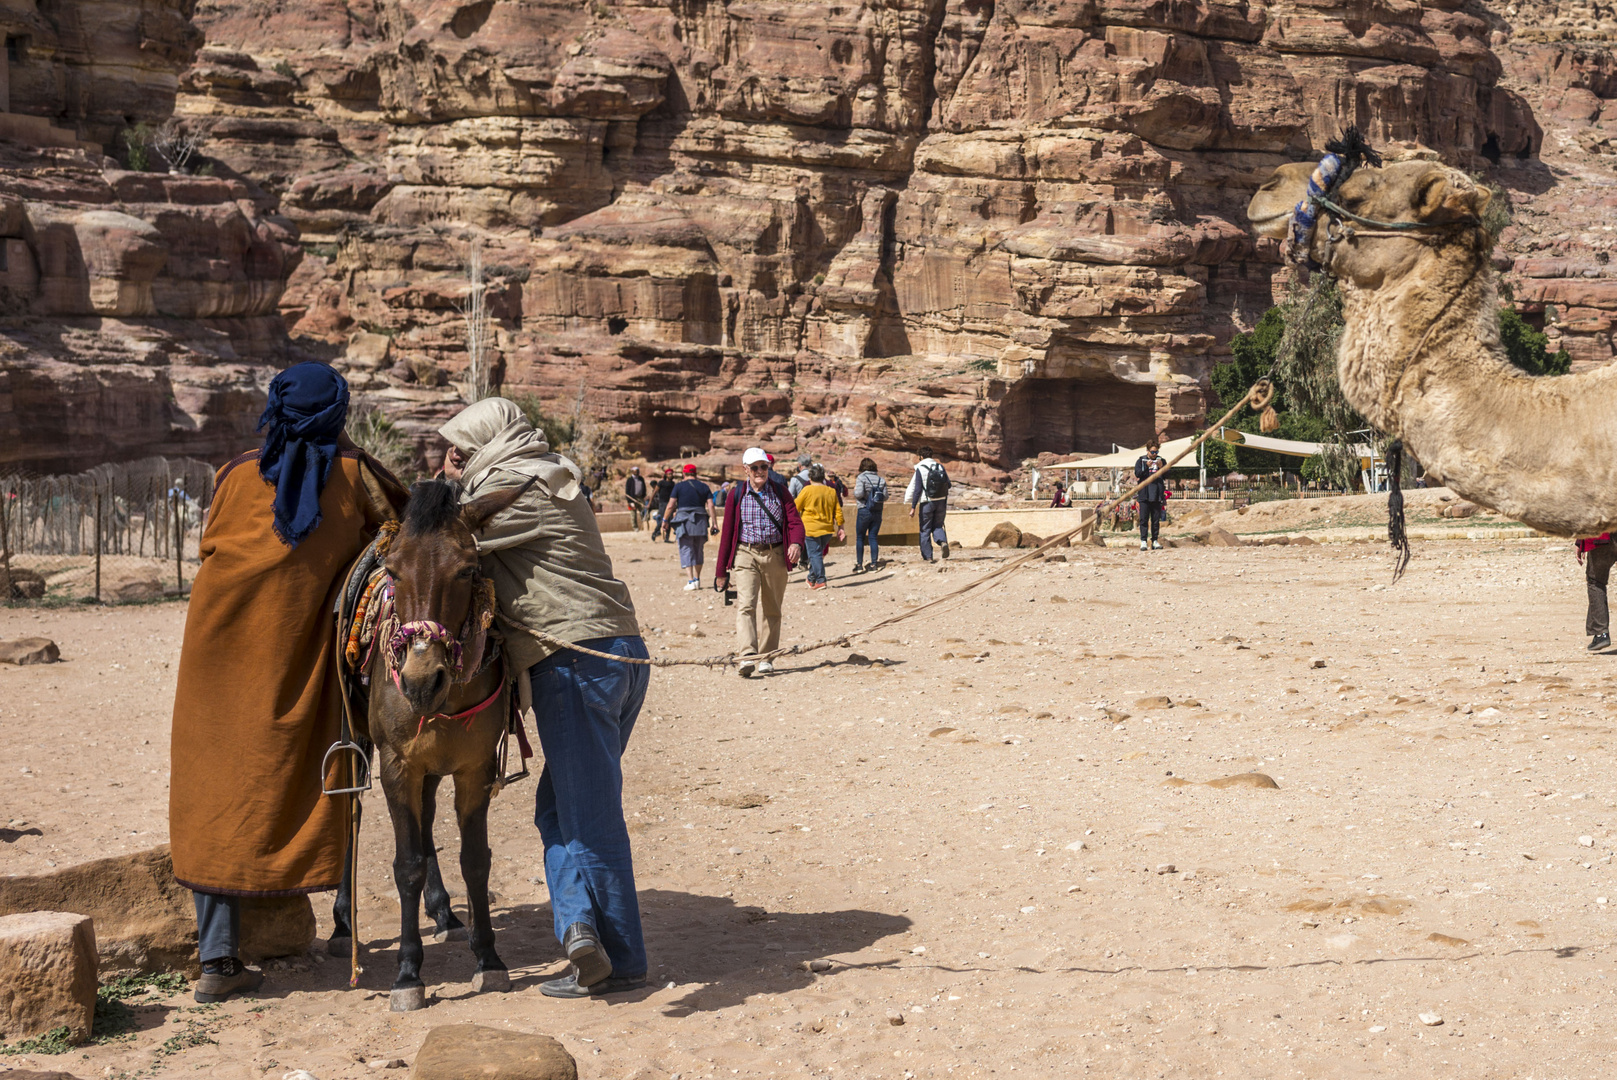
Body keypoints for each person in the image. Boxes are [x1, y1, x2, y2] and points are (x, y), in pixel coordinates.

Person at [169, 362, 405, 1003]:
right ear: (338, 414)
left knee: (216, 792)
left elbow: (212, 549)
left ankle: (218, 960)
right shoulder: (355, 476)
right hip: (299, 661)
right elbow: (410, 533)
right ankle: (347, 922)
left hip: (213, 668)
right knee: (342, 763)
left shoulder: (234, 476)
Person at [438, 397, 648, 998]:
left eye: (461, 445)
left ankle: (624, 959)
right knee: (559, 809)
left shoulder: (513, 489)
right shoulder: (548, 474)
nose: (454, 455)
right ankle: (580, 929)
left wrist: (448, 482)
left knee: (589, 819)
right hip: (618, 655)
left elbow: (448, 537)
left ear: (484, 441)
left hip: (576, 664)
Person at [714, 447, 805, 677]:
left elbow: (795, 521)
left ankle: (766, 657)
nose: (759, 471)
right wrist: (721, 570)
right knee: (746, 605)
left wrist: (796, 544)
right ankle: (747, 657)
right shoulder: (737, 495)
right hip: (746, 554)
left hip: (775, 554)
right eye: (754, 467)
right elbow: (727, 534)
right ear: (746, 469)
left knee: (772, 608)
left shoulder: (781, 492)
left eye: (763, 467)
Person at [793, 464, 845, 590]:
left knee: (815, 555)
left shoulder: (807, 490)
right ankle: (811, 578)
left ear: (810, 478)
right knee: (817, 554)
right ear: (823, 478)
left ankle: (821, 580)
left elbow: (795, 507)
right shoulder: (831, 491)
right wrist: (841, 528)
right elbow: (838, 511)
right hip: (827, 529)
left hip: (811, 528)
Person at [663, 463, 713, 590]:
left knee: (686, 549)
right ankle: (697, 579)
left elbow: (670, 505)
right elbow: (711, 506)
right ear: (695, 474)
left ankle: (691, 581)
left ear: (684, 474)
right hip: (700, 520)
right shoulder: (704, 486)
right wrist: (714, 523)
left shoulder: (679, 486)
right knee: (698, 550)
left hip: (684, 521)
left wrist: (665, 520)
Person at [905, 447, 951, 563]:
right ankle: (942, 542)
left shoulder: (920, 468)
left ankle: (928, 557)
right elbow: (948, 485)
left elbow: (917, 489)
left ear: (920, 456)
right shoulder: (940, 466)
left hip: (927, 502)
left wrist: (913, 506)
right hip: (941, 501)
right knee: (938, 525)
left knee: (925, 529)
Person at [1579, 533, 1615, 650]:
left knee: (1596, 581)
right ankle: (1598, 633)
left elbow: (1588, 515)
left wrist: (1580, 542)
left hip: (1604, 536)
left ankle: (1601, 633)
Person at [851, 457, 886, 574]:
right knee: (873, 537)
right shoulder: (881, 480)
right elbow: (885, 496)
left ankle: (859, 565)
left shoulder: (861, 478)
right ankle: (874, 564)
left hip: (864, 510)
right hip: (877, 511)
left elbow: (859, 494)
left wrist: (855, 491)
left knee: (860, 537)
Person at [1134, 438, 1168, 551]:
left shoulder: (1161, 461)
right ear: (1147, 451)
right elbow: (1138, 474)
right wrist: (1146, 468)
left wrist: (1161, 467)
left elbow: (1167, 475)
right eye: (1152, 452)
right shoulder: (1141, 461)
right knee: (1143, 519)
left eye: (1156, 452)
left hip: (1157, 494)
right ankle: (1143, 541)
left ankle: (1154, 541)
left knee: (1155, 520)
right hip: (1144, 493)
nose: (1154, 454)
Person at [649, 467, 676, 541]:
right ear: (666, 475)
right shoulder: (661, 483)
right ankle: (655, 532)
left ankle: (667, 538)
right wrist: (650, 503)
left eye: (671, 474)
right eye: (669, 474)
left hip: (670, 503)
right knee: (663, 519)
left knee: (670, 519)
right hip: (662, 503)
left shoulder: (673, 484)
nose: (670, 475)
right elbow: (654, 493)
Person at [624, 465, 648, 530]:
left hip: (640, 498)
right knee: (633, 514)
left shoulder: (641, 479)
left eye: (637, 471)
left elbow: (644, 488)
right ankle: (635, 527)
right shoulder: (629, 480)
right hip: (632, 499)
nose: (636, 472)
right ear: (632, 472)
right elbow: (627, 491)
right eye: (635, 471)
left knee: (643, 512)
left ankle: (644, 526)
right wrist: (630, 502)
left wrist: (644, 496)